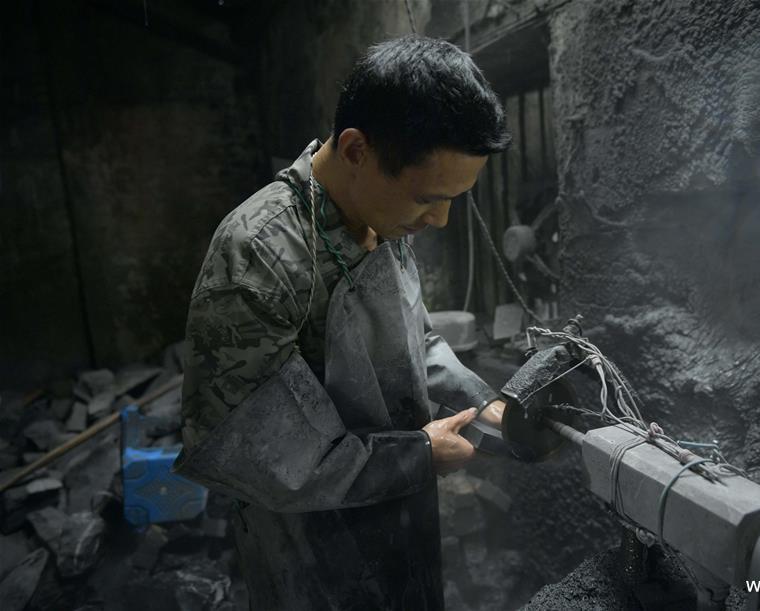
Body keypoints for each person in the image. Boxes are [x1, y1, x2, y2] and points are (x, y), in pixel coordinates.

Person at [172, 35, 512, 610]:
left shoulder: (382, 215)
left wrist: (481, 406)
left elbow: (415, 340)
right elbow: (258, 453)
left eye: (455, 199)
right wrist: (418, 456)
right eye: (429, 198)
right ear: (356, 149)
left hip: (401, 519)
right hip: (311, 552)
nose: (441, 219)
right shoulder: (260, 253)